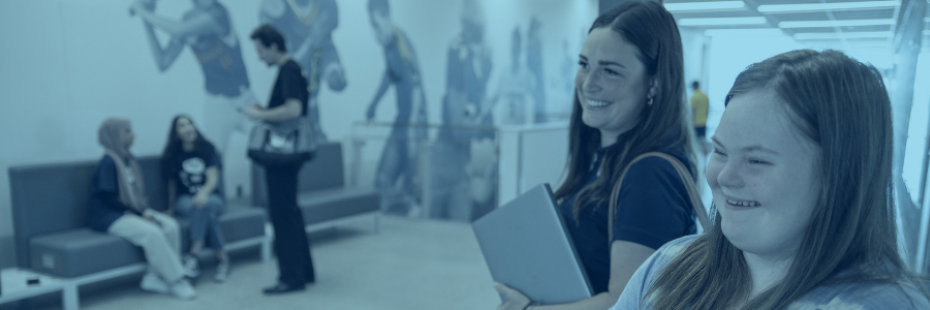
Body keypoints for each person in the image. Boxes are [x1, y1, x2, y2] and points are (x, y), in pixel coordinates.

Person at [610, 50, 930, 310]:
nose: (724, 177)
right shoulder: (668, 265)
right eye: (720, 152)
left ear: (839, 176)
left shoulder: (881, 305)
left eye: (756, 161)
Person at [494, 2, 699, 309]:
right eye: (585, 64)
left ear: (653, 83)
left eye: (610, 71)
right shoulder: (607, 158)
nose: (588, 83)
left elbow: (624, 303)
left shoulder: (650, 174)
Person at [130, 0, 256, 195]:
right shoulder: (188, 18)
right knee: (213, 161)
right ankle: (217, 209)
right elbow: (163, 62)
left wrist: (141, 10)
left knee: (270, 146)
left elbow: (180, 31)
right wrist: (145, 21)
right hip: (217, 105)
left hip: (245, 100)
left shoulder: (218, 14)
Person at [242, 24, 315, 295]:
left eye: (260, 50)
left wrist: (260, 116)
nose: (259, 56)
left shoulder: (289, 70)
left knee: (282, 215)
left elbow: (293, 109)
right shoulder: (293, 70)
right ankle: (304, 271)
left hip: (282, 159)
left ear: (273, 47)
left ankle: (291, 277)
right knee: (291, 213)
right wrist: (266, 110)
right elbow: (288, 108)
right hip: (289, 157)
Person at [88, 118, 197, 300]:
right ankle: (176, 279)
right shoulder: (108, 162)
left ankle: (153, 278)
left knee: (171, 226)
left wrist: (143, 211)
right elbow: (108, 198)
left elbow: (135, 196)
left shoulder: (128, 160)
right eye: (128, 131)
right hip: (109, 216)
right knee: (152, 232)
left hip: (131, 211)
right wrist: (141, 214)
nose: (133, 135)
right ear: (115, 136)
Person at [429, 0, 494, 222]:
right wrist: (480, 122)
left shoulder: (482, 59)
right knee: (429, 227)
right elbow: (460, 129)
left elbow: (481, 126)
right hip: (445, 154)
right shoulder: (457, 52)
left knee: (459, 234)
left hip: (463, 158)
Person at [365, 0, 429, 216]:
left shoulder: (400, 43)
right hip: (402, 120)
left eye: (376, 24)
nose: (374, 31)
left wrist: (412, 129)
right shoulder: (389, 45)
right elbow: (390, 75)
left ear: (386, 16)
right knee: (382, 180)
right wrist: (374, 103)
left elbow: (417, 87)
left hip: (414, 123)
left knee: (411, 188)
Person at [259, 0, 347, 142]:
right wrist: (310, 44)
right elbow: (288, 60)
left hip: (318, 64)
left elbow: (327, 45)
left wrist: (333, 69)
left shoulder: (326, 5)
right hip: (296, 74)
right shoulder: (276, 9)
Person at [160, 115, 231, 283]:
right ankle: (223, 260)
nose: (188, 128)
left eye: (190, 123)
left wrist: (203, 193)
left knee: (202, 205)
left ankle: (193, 256)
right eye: (182, 125)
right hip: (183, 200)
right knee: (202, 209)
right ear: (176, 133)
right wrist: (170, 208)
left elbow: (213, 179)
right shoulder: (172, 155)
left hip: (211, 196)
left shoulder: (207, 149)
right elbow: (171, 186)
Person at [689, 81, 709, 154]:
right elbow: (707, 110)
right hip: (703, 121)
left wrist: (690, 122)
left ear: (693, 87)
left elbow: (692, 111)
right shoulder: (705, 96)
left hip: (695, 122)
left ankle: (692, 155)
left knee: (692, 141)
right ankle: (705, 154)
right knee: (703, 139)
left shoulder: (693, 97)